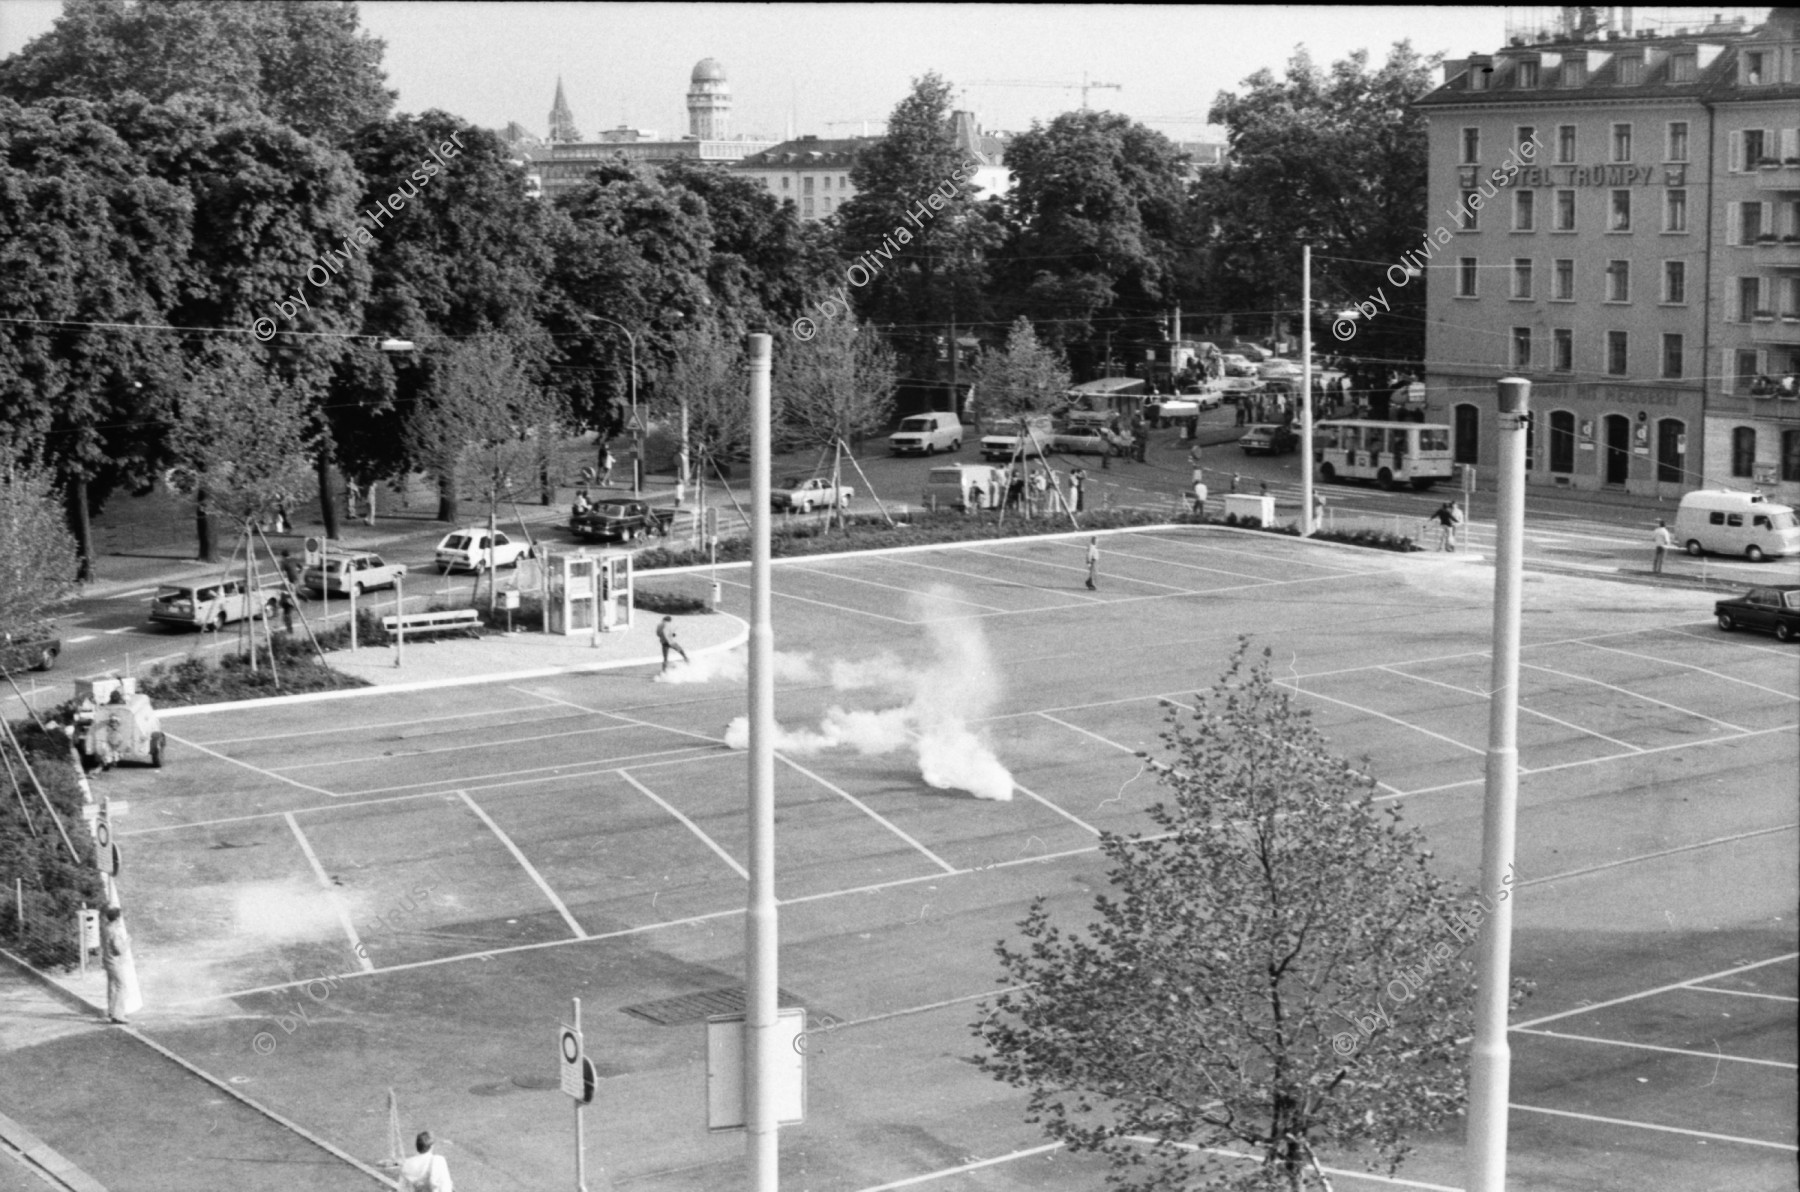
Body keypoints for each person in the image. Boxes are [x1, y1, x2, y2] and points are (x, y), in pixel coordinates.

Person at [101, 905, 142, 1023]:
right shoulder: (115, 932)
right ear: (118, 918)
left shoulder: (106, 928)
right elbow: (119, 950)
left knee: (112, 986)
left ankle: (111, 1010)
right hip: (115, 962)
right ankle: (118, 1014)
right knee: (121, 986)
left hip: (107, 960)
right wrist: (127, 941)